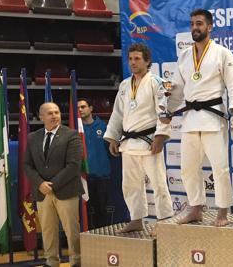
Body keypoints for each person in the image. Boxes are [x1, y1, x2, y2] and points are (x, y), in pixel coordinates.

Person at [162, 8, 233, 227]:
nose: (194, 28)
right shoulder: (185, 56)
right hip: (190, 119)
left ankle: (223, 211)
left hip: (213, 117)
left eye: (199, 23)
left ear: (209, 27)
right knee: (188, 168)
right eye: (192, 24)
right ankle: (195, 208)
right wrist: (168, 110)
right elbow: (178, 88)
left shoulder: (222, 53)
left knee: (220, 168)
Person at [104, 43, 174, 233]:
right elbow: (118, 113)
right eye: (130, 59)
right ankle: (136, 218)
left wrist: (160, 136)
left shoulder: (159, 82)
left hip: (149, 141)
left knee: (158, 183)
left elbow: (164, 111)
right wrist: (112, 137)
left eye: (137, 59)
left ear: (147, 61)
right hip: (128, 143)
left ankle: (165, 220)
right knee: (130, 184)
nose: (132, 63)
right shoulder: (125, 84)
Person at [23, 102, 82, 267]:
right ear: (41, 116)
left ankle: (76, 261)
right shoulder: (33, 137)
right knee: (48, 231)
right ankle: (51, 262)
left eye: (56, 112)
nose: (55, 115)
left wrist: (52, 185)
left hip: (66, 190)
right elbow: (27, 165)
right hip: (42, 192)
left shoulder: (71, 135)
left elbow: (74, 165)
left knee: (71, 230)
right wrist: (40, 183)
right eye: (50, 113)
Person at [78, 98, 112, 228]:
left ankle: (102, 238)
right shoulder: (77, 129)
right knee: (85, 211)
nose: (80, 110)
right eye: (78, 108)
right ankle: (88, 238)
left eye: (83, 107)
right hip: (84, 177)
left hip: (101, 176)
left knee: (102, 210)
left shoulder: (103, 127)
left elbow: (111, 148)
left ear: (91, 108)